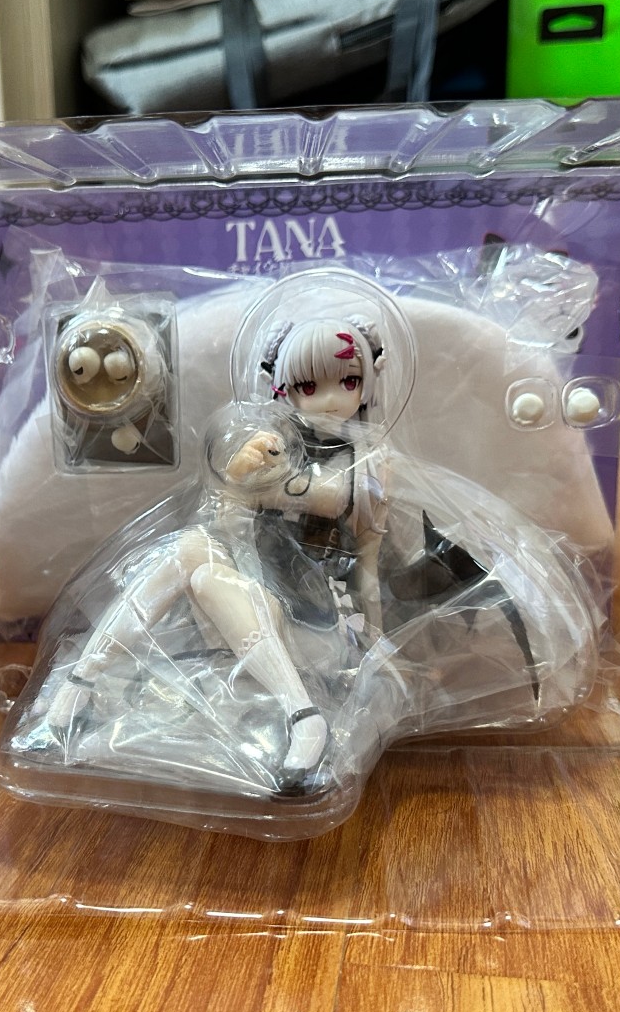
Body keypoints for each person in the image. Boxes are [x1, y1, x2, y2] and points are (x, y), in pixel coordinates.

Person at [44, 315, 390, 784]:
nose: (330, 399)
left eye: (348, 381)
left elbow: (337, 512)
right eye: (309, 387)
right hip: (262, 610)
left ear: (368, 382)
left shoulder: (366, 463)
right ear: (282, 389)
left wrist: (248, 475)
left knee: (209, 574)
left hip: (323, 628)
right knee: (194, 550)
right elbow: (230, 527)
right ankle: (82, 681)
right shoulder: (277, 445)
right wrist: (241, 479)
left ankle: (305, 715)